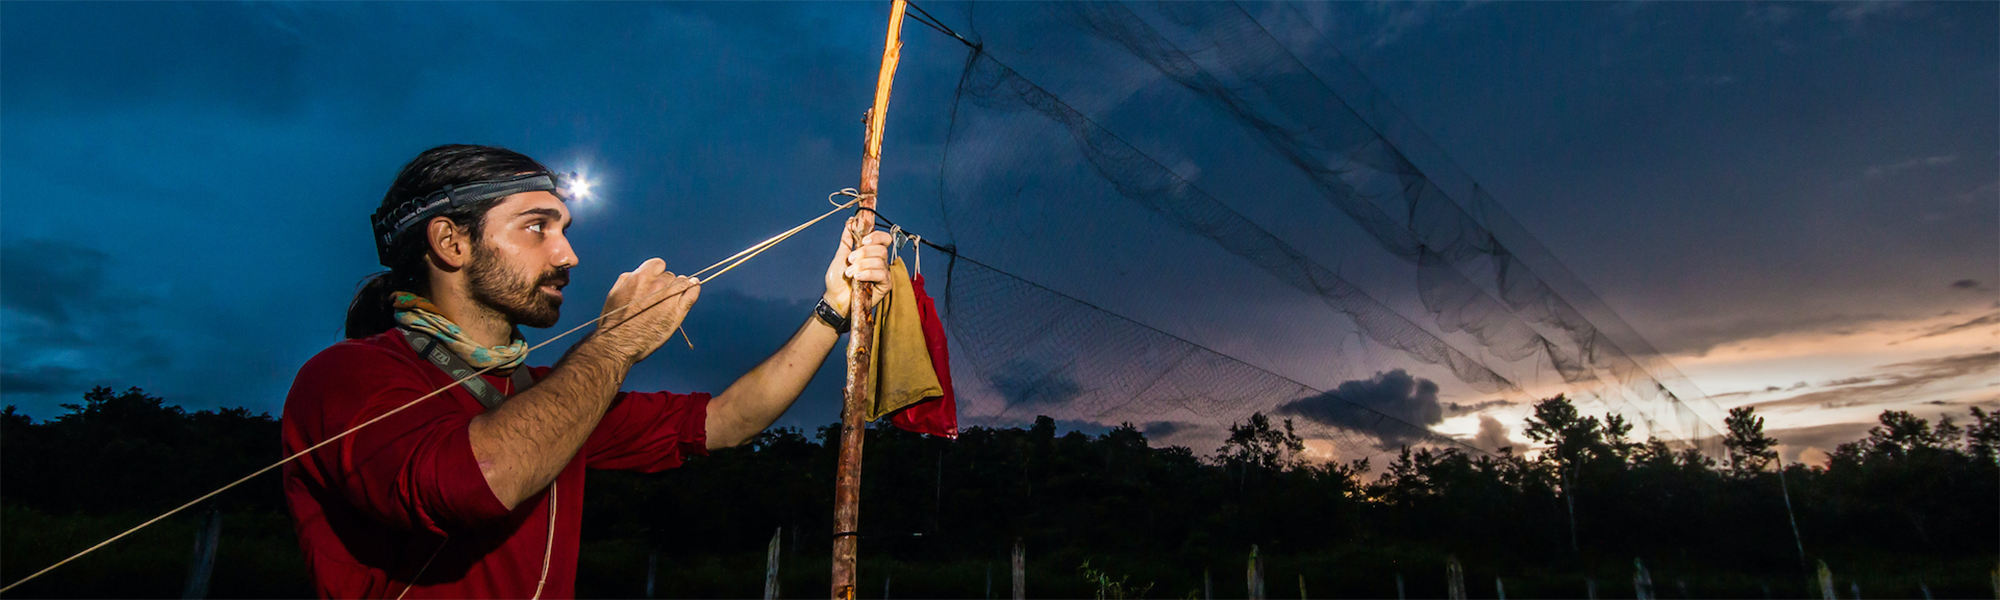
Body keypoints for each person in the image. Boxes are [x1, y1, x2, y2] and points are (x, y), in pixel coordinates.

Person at [280, 144, 891, 600]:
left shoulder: (551, 397)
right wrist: (615, 344)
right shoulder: (345, 377)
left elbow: (726, 421)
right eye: (536, 227)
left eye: (565, 230)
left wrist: (833, 309)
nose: (568, 255)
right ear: (450, 242)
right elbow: (476, 481)